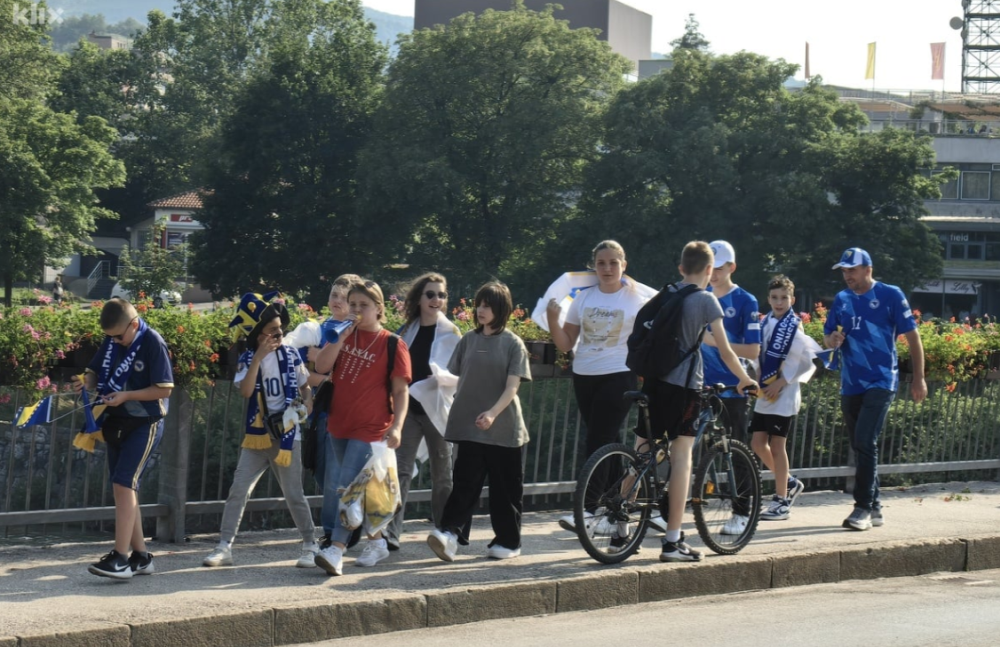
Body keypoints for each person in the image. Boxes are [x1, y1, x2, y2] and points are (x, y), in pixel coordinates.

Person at [642, 242, 757, 563]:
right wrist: (745, 379)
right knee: (683, 458)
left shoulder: (665, 293)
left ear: (681, 268)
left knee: (643, 452)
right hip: (685, 387)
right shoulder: (706, 300)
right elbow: (727, 351)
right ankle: (673, 541)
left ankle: (617, 524)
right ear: (708, 269)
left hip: (652, 382)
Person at [545, 241, 662, 532]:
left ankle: (587, 510)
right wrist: (552, 319)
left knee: (597, 441)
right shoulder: (583, 298)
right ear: (593, 266)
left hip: (619, 374)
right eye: (601, 263)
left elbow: (657, 330)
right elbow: (566, 344)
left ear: (624, 265)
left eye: (613, 262)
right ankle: (618, 517)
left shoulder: (637, 298)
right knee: (608, 443)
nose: (607, 268)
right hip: (584, 375)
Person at [203, 293, 317, 568]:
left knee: (294, 494)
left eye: (280, 329)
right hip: (257, 436)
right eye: (272, 331)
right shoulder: (247, 359)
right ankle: (224, 546)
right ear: (258, 335)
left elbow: (305, 386)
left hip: (287, 435)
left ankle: (310, 544)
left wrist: (307, 405)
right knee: (238, 489)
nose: (279, 334)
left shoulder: (291, 354)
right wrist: (258, 358)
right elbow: (245, 391)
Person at [427, 281, 532, 562]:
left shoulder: (513, 343)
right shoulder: (469, 340)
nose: (481, 310)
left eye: (487, 305)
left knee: (505, 491)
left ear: (502, 309)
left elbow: (512, 387)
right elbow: (455, 374)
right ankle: (448, 534)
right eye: (479, 305)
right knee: (465, 484)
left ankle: (509, 542)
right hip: (470, 428)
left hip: (505, 431)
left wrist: (492, 413)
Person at [823, 248, 926, 531]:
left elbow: (913, 338)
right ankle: (876, 506)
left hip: (881, 380)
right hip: (850, 382)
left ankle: (863, 508)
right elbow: (828, 335)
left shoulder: (891, 294)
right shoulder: (842, 299)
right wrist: (832, 339)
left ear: (868, 269)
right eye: (844, 271)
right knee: (860, 444)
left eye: (852, 270)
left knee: (866, 440)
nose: (847, 276)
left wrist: (919, 378)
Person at [313, 280, 411, 574]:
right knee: (361, 490)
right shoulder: (343, 334)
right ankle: (378, 542)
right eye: (353, 304)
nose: (356, 310)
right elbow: (320, 367)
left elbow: (401, 390)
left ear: (379, 309)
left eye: (363, 305)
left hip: (372, 427)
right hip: (339, 423)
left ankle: (336, 549)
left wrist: (397, 426)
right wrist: (339, 339)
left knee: (347, 489)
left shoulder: (392, 343)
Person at [73, 298, 173, 579]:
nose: (114, 341)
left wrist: (127, 395)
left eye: (118, 336)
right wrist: (86, 382)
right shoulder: (112, 339)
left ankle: (120, 558)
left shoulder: (153, 342)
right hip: (116, 420)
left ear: (134, 325)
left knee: (123, 484)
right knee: (124, 487)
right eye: (110, 337)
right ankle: (141, 557)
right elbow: (95, 372)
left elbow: (164, 390)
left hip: (145, 422)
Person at [385, 273, 461, 550]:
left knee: (443, 475)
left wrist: (442, 378)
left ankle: (445, 531)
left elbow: (461, 375)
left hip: (438, 412)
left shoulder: (452, 334)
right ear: (419, 298)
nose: (436, 299)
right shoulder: (405, 332)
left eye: (441, 295)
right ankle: (390, 533)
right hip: (408, 411)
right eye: (430, 294)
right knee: (400, 471)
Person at [699, 240, 766, 536]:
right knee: (687, 448)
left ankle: (742, 511)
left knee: (737, 450)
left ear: (732, 267)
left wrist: (714, 342)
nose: (714, 273)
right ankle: (670, 510)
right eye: (710, 267)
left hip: (733, 387)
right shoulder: (700, 296)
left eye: (720, 267)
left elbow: (752, 350)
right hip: (700, 386)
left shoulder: (745, 300)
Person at [750, 275, 821, 521]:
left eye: (784, 298)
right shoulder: (765, 322)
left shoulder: (794, 325)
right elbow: (757, 353)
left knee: (778, 445)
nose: (779, 302)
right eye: (774, 297)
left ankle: (781, 501)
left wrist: (781, 382)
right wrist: (757, 376)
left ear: (792, 300)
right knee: (757, 443)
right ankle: (789, 481)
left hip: (784, 394)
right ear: (768, 299)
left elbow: (806, 362)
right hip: (765, 392)